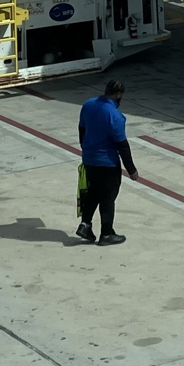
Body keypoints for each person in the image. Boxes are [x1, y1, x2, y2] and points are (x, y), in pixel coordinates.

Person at [77, 78, 139, 245]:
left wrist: (86, 149)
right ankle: (106, 234)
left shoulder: (88, 104)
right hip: (107, 163)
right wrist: (131, 170)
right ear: (118, 94)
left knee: (93, 192)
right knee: (107, 197)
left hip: (89, 159)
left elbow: (82, 129)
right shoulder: (116, 116)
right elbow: (122, 146)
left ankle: (85, 225)